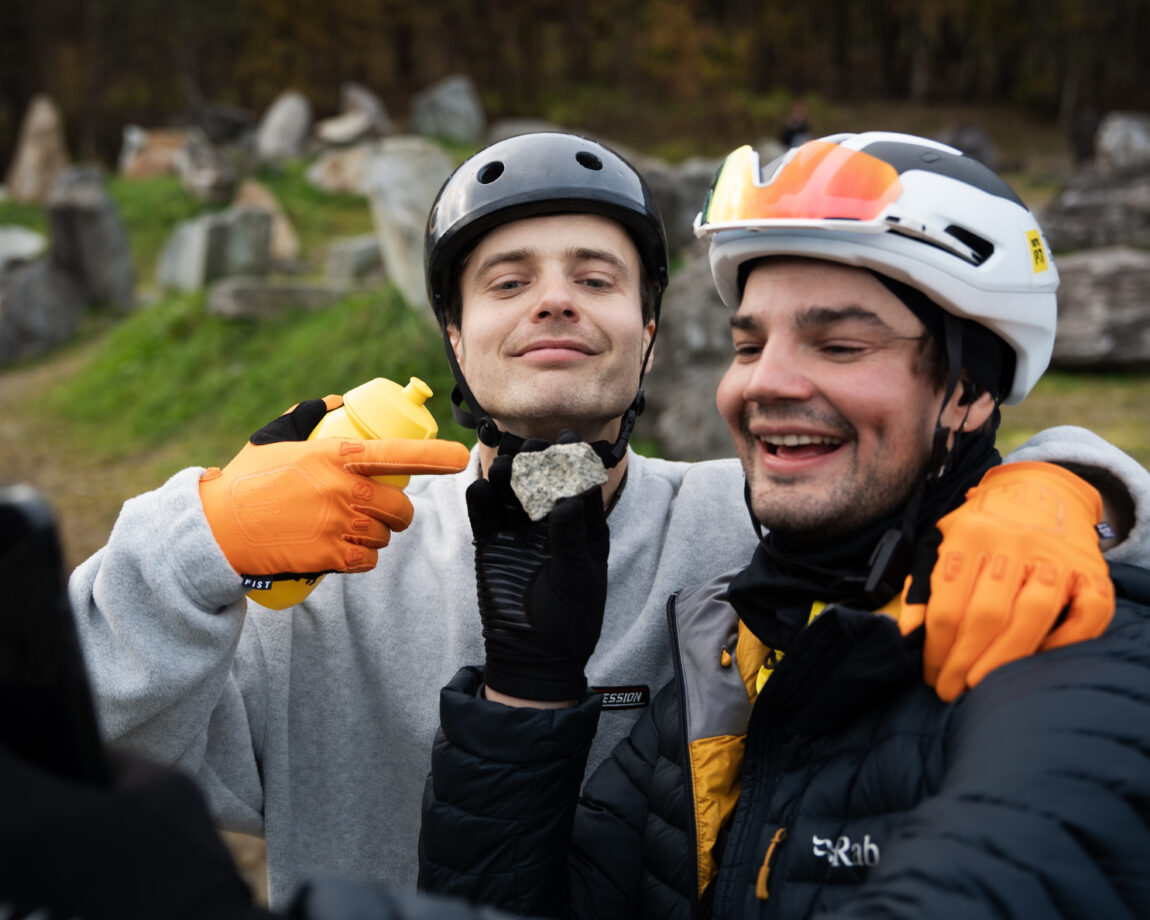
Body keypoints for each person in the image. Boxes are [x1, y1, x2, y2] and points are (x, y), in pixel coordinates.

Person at [70, 132, 1142, 909]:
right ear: (454, 338)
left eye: (596, 276)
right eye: (506, 281)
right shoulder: (326, 561)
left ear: (649, 331)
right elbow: (72, 751)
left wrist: (1063, 483)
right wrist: (198, 538)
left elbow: (932, 500)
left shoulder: (756, 523)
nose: (554, 299)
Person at [418, 132, 1150, 918]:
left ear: (969, 390)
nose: (764, 383)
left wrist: (1069, 483)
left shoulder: (1068, 644)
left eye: (839, 345)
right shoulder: (728, 665)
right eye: (749, 344)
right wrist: (527, 693)